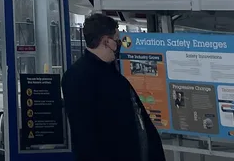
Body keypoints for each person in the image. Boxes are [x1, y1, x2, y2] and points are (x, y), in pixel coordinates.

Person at [62, 13, 165, 161]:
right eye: (116, 40)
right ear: (105, 41)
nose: (119, 45)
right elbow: (86, 135)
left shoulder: (111, 74)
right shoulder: (79, 78)